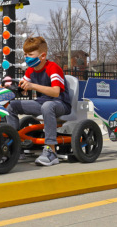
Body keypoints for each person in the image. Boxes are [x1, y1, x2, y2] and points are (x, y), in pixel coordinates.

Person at [6, 37, 71, 166]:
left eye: (30, 54)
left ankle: (51, 151)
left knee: (47, 106)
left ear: (42, 56)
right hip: (42, 103)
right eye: (25, 54)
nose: (26, 57)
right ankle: (15, 147)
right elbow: (23, 88)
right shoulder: (30, 70)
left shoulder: (53, 68)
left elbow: (55, 92)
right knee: (12, 106)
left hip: (60, 103)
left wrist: (32, 86)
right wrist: (17, 88)